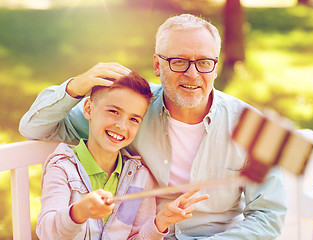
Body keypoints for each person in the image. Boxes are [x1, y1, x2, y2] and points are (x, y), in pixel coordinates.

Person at [20, 14, 287, 239]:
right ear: (157, 65)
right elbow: (34, 127)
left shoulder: (254, 126)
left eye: (204, 63)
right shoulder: (131, 111)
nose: (192, 74)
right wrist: (74, 88)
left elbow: (268, 215)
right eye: (179, 61)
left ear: (215, 68)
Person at [36, 72, 209, 239]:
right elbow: (47, 232)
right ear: (89, 109)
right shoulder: (62, 168)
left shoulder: (140, 179)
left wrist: (159, 223)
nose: (121, 126)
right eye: (113, 111)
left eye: (133, 119)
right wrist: (79, 212)